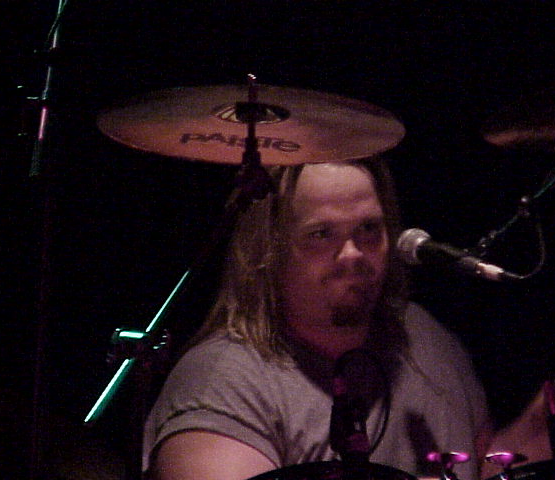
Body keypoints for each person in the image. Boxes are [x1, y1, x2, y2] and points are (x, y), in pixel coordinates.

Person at [143, 158, 492, 480]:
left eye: (369, 228)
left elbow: (487, 459)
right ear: (269, 249)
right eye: (321, 234)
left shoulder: (423, 334)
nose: (353, 253)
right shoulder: (222, 380)